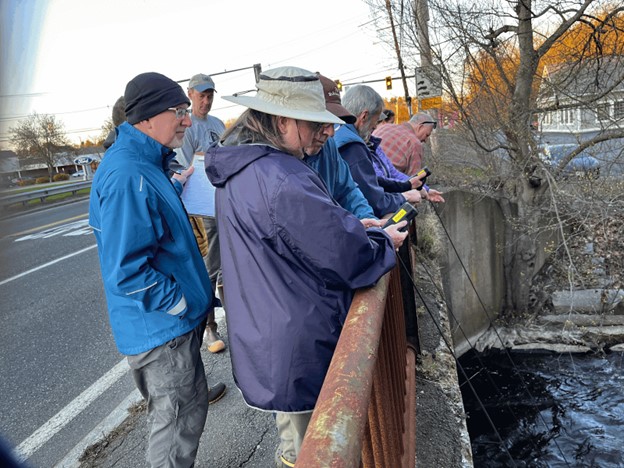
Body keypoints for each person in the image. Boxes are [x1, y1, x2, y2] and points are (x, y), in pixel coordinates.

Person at [204, 66, 408, 467]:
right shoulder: (279, 176)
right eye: (316, 123)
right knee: (310, 448)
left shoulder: (249, 168)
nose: (328, 132)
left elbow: (301, 235)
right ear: (281, 122)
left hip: (274, 330)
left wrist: (352, 225)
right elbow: (347, 257)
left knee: (299, 442)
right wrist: (383, 239)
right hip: (294, 341)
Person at [89, 72, 215, 468]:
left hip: (163, 328)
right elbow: (127, 270)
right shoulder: (130, 175)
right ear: (145, 118)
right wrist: (181, 303)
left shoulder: (143, 164)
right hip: (162, 331)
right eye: (178, 111)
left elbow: (146, 224)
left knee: (183, 411)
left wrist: (175, 189)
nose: (187, 120)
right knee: (175, 425)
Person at [179, 73, 227, 354]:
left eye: (210, 95)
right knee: (209, 268)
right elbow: (184, 166)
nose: (206, 100)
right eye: (201, 95)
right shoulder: (187, 127)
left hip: (221, 201)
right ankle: (210, 327)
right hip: (200, 207)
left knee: (230, 266)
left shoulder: (217, 124)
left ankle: (235, 319)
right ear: (190, 94)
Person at [333, 85, 422, 218]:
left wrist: (406, 185)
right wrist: (404, 197)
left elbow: (370, 181)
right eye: (376, 121)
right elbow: (375, 201)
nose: (375, 126)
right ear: (364, 116)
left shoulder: (334, 131)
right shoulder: (352, 147)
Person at [303, 73, 376, 221]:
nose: (330, 132)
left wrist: (369, 222)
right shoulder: (275, 162)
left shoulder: (328, 146)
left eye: (333, 123)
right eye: (321, 123)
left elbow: (348, 191)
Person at [373, 111, 437, 176]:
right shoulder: (414, 143)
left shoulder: (384, 127)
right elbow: (414, 179)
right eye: (427, 135)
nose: (425, 140)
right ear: (420, 127)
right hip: (383, 183)